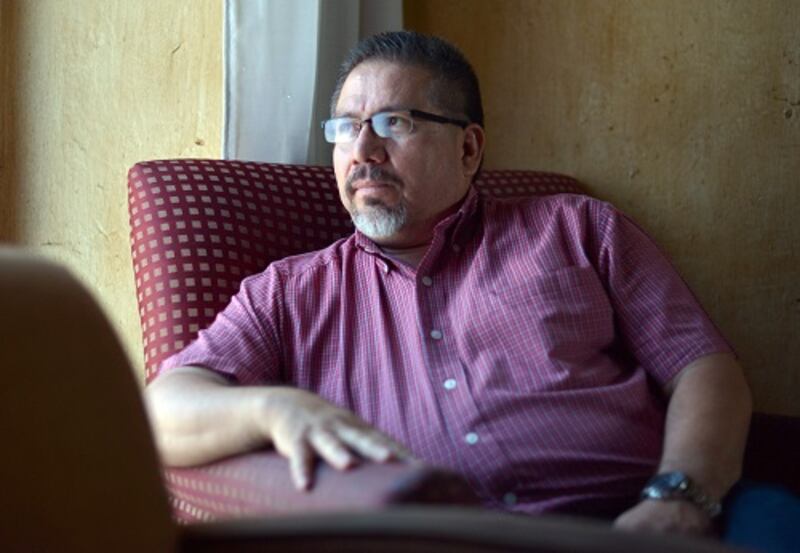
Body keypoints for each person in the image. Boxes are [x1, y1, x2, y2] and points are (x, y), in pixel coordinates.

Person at [145, 31, 752, 536]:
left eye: (394, 121)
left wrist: (679, 496)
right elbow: (161, 411)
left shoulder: (577, 229)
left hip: (637, 524)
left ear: (468, 148)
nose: (363, 150)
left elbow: (702, 367)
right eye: (345, 127)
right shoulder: (288, 294)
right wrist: (274, 410)